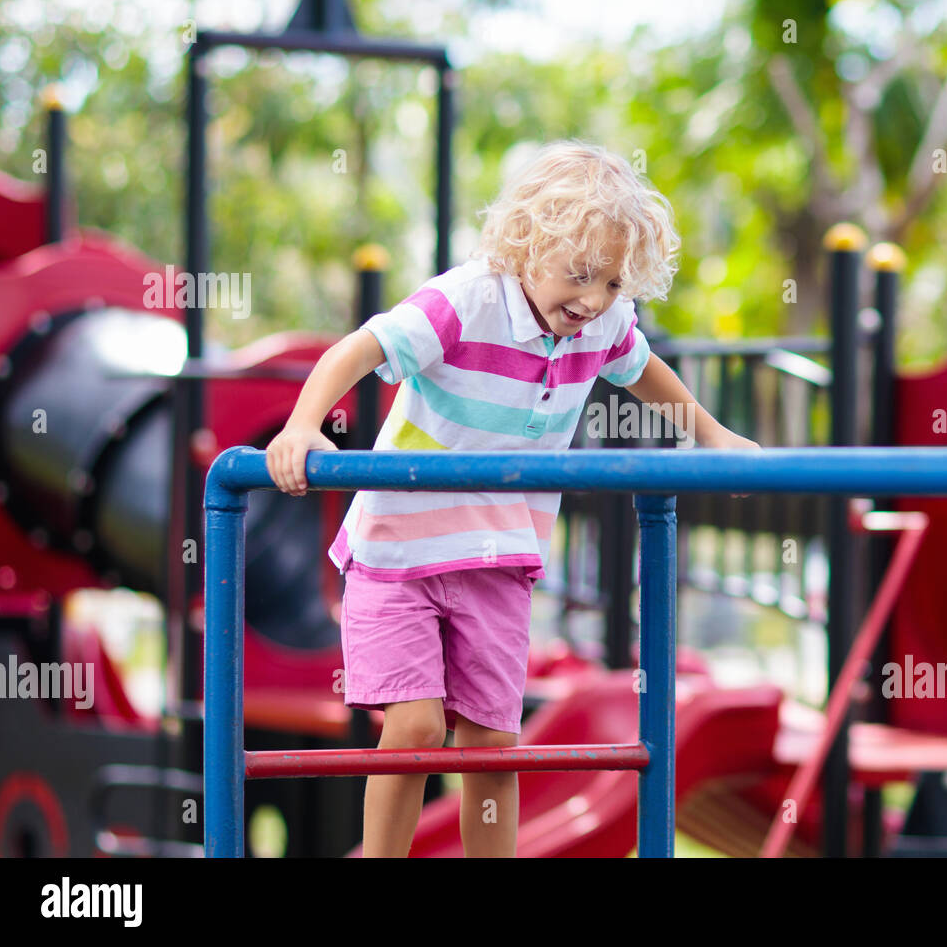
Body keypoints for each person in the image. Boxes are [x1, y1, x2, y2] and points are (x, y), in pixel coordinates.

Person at [265, 140, 759, 857]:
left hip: (498, 554)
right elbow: (361, 349)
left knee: (494, 740)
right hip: (398, 547)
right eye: (581, 274)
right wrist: (304, 425)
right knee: (415, 727)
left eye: (614, 285)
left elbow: (646, 371)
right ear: (526, 243)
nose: (592, 300)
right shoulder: (464, 302)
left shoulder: (600, 324)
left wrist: (711, 435)